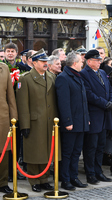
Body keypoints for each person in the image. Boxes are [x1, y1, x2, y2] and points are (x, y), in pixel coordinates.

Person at [16, 49, 59, 192]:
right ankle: (34, 180)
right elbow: (22, 104)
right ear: (34, 63)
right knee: (35, 153)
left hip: (50, 121)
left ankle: (44, 179)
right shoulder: (25, 78)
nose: (46, 64)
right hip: (35, 122)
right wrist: (25, 125)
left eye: (46, 61)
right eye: (42, 61)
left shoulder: (51, 77)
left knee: (47, 151)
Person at [80, 49, 112, 184]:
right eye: (97, 60)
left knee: (101, 146)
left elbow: (110, 89)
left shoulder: (102, 72)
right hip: (94, 115)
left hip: (105, 115)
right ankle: (90, 173)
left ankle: (98, 171)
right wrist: (104, 103)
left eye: (100, 60)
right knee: (91, 147)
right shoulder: (84, 74)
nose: (100, 62)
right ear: (89, 62)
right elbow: (88, 94)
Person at [55, 51, 89, 190]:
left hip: (80, 121)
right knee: (67, 153)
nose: (83, 64)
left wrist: (86, 119)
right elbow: (64, 102)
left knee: (76, 152)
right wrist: (67, 121)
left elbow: (83, 101)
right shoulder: (64, 78)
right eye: (81, 62)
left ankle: (74, 177)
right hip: (71, 123)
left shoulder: (77, 76)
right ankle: (65, 179)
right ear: (74, 63)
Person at [0, 62, 18, 194]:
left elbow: (10, 95)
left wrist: (14, 117)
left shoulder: (4, 68)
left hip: (2, 117)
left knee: (4, 150)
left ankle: (2, 182)